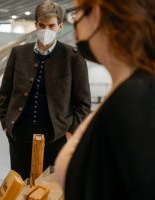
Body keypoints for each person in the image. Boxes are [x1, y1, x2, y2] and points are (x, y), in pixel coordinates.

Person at [54, 0, 155, 199]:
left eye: (77, 14)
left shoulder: (133, 101)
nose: (75, 25)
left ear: (96, 14)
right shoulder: (131, 89)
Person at [0, 1, 91, 180]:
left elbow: (83, 103)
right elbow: (5, 93)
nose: (46, 30)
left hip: (55, 137)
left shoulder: (73, 57)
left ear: (60, 26)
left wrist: (70, 132)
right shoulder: (18, 53)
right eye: (42, 25)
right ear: (35, 25)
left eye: (51, 25)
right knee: (19, 184)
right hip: (19, 136)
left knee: (49, 187)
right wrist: (6, 123)